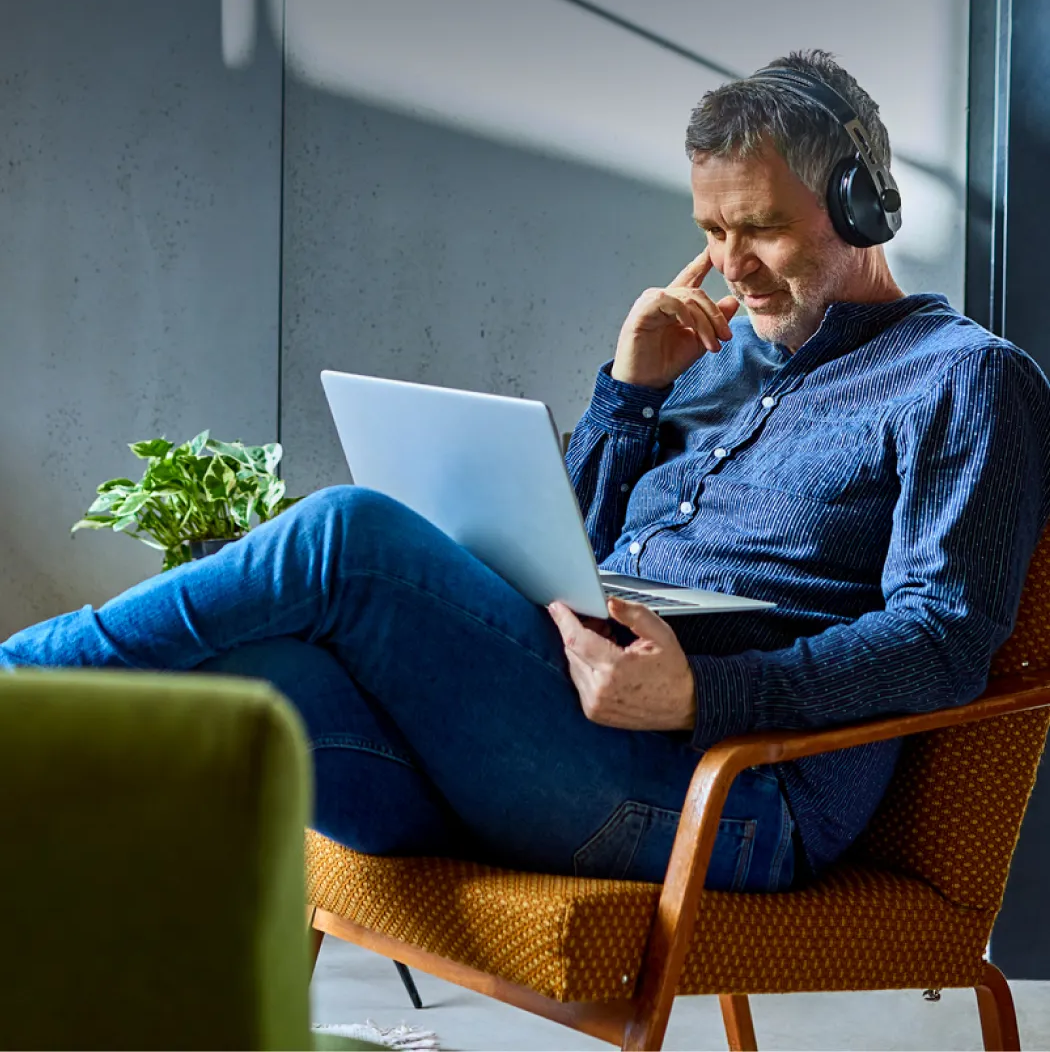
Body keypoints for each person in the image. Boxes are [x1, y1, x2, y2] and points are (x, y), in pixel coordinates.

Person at [5, 49, 1050, 894]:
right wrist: (629, 395)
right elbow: (570, 551)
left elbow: (944, 639)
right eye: (712, 230)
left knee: (347, 536)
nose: (732, 266)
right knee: (263, 681)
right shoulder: (711, 354)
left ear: (862, 208)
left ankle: (21, 681)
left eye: (763, 229)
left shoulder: (964, 379)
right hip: (553, 737)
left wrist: (704, 693)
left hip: (730, 801)